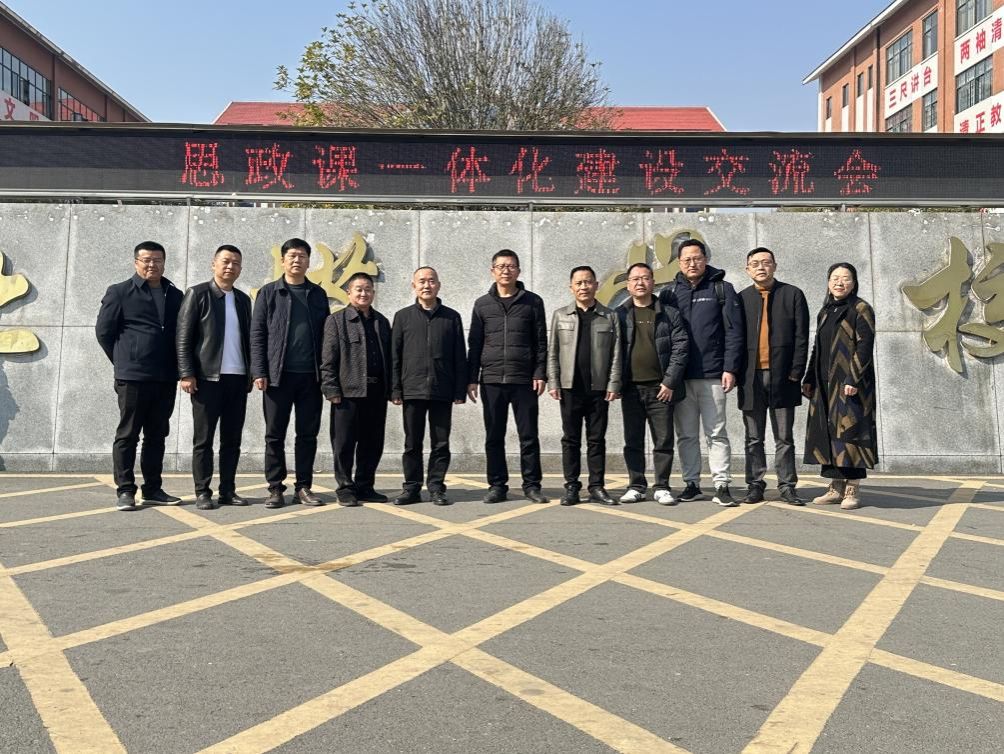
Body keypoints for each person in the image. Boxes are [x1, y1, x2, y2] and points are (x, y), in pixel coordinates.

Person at [96, 241, 183, 511]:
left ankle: (153, 489)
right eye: (146, 260)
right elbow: (104, 332)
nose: (152, 265)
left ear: (164, 263)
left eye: (157, 260)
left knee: (157, 435)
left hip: (165, 377)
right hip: (133, 377)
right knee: (128, 434)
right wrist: (124, 360)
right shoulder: (120, 292)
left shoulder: (175, 294)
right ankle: (125, 490)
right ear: (136, 262)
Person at [659, 239, 744, 507]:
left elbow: (734, 332)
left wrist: (730, 368)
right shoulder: (670, 294)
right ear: (679, 263)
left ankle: (721, 485)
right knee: (686, 434)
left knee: (716, 432)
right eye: (686, 259)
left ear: (705, 259)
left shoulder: (722, 289)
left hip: (713, 374)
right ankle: (691, 483)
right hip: (681, 378)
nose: (692, 263)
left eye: (697, 258)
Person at [250, 238, 330, 509]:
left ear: (309, 261)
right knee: (274, 435)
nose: (297, 260)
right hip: (277, 376)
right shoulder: (269, 293)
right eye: (292, 256)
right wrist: (259, 371)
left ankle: (303, 487)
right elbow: (257, 334)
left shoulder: (317, 294)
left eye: (302, 256)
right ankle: (275, 488)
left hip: (311, 377)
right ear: (283, 260)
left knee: (307, 435)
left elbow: (327, 336)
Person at [467, 249, 549, 504]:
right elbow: (475, 343)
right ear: (492, 271)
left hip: (524, 379)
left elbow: (541, 341)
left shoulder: (533, 302)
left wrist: (540, 372)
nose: (506, 270)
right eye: (501, 266)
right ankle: (497, 485)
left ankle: (532, 485)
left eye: (511, 266)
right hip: (491, 380)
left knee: (528, 436)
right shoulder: (482, 304)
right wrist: (472, 378)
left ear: (519, 271)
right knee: (494, 436)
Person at [176, 244, 253, 510]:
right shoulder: (197, 294)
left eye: (236, 263)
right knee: (204, 440)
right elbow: (183, 337)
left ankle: (228, 490)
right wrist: (187, 373)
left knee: (232, 440)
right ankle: (202, 491)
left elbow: (248, 340)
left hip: (237, 379)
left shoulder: (243, 299)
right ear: (214, 264)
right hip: (207, 379)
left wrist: (252, 373)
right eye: (226, 261)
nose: (231, 267)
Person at [737, 247, 810, 506]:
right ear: (747, 269)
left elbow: (802, 336)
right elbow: (734, 338)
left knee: (784, 437)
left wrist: (796, 372)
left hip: (784, 377)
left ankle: (787, 486)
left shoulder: (792, 294)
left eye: (766, 262)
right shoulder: (741, 298)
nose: (761, 267)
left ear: (775, 266)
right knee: (753, 437)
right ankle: (755, 484)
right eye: (755, 263)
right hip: (750, 378)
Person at [802, 262, 877, 510]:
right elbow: (818, 347)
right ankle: (835, 487)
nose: (839, 282)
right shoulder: (825, 311)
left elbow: (864, 346)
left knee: (851, 433)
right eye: (835, 278)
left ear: (854, 283)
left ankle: (852, 488)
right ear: (828, 282)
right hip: (825, 384)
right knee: (828, 433)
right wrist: (809, 378)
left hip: (849, 384)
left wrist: (853, 378)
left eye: (845, 278)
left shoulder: (860, 309)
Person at [390, 267, 466, 506]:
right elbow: (395, 356)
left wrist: (459, 390)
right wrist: (395, 389)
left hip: (442, 389)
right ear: (413, 286)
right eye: (421, 281)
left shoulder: (451, 317)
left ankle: (436, 487)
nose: (426, 285)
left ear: (438, 285)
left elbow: (459, 356)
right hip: (412, 389)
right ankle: (411, 488)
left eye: (431, 281)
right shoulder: (403, 317)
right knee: (412, 443)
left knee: (440, 443)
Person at [547, 266, 622, 506]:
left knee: (596, 439)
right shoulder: (561, 315)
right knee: (570, 439)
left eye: (588, 282)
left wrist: (613, 383)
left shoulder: (609, 316)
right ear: (571, 287)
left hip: (598, 389)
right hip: (570, 388)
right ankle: (571, 487)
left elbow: (616, 353)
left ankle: (597, 486)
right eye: (578, 283)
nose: (583, 287)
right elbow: (553, 351)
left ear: (596, 285)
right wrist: (553, 381)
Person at [615, 262, 689, 505]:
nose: (640, 283)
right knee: (633, 441)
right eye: (635, 279)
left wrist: (669, 382)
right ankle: (636, 485)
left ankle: (662, 486)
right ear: (628, 284)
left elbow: (680, 348)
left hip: (661, 389)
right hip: (631, 389)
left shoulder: (669, 313)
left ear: (653, 282)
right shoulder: (620, 314)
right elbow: (612, 352)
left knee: (663, 441)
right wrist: (615, 384)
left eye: (645, 278)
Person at [321, 272, 392, 507]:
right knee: (344, 443)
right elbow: (328, 360)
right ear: (349, 292)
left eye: (368, 289)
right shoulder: (336, 321)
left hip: (376, 392)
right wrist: (331, 390)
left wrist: (392, 389)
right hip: (347, 393)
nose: (364, 293)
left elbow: (390, 358)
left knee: (372, 442)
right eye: (358, 289)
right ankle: (345, 487)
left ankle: (365, 486)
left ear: (373, 293)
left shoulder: (382, 322)